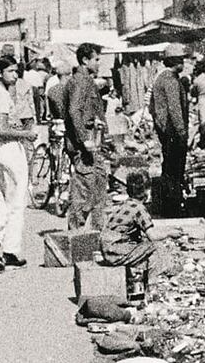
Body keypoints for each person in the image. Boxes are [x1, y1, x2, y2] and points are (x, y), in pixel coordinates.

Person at [0, 55, 37, 272]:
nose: (15, 75)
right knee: (15, 201)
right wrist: (26, 134)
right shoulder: (2, 95)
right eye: (10, 71)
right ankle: (11, 251)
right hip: (7, 147)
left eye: (16, 71)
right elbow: (4, 129)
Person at [99, 171, 169, 296]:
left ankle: (136, 284)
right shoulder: (139, 208)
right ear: (147, 192)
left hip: (108, 248)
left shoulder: (126, 204)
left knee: (143, 246)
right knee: (157, 248)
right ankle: (151, 289)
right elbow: (153, 236)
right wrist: (171, 232)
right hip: (115, 251)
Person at [64, 42, 108, 231]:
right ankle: (74, 237)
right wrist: (84, 139)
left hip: (92, 140)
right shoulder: (80, 81)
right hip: (84, 145)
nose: (99, 63)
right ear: (85, 60)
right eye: (96, 60)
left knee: (98, 188)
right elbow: (74, 111)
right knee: (84, 190)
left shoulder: (86, 80)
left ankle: (98, 235)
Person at [150, 44, 190, 217]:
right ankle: (173, 207)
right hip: (173, 131)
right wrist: (181, 132)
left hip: (166, 131)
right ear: (175, 61)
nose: (183, 63)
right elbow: (174, 109)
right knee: (174, 171)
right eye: (181, 59)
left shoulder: (163, 78)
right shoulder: (171, 80)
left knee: (169, 169)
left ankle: (170, 205)